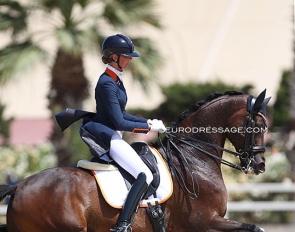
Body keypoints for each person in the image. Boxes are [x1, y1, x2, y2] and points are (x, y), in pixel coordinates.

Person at [80, 34, 166, 232]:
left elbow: (123, 113)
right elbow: (119, 121)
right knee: (144, 174)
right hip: (108, 137)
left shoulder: (116, 80)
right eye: (126, 56)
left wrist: (148, 121)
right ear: (113, 57)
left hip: (114, 134)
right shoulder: (106, 83)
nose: (129, 60)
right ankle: (123, 225)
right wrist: (147, 128)